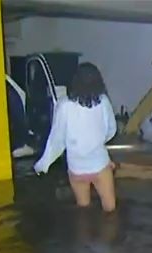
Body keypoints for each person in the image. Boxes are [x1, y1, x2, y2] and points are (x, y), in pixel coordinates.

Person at [34, 62, 117, 212]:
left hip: (77, 168)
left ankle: (83, 234)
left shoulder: (64, 105)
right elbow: (111, 130)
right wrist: (97, 141)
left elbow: (57, 140)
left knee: (83, 212)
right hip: (100, 165)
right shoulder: (103, 102)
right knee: (110, 210)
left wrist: (43, 165)